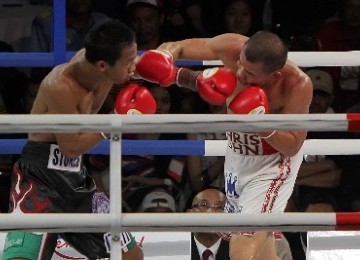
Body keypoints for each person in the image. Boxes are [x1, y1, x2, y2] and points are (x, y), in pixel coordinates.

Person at [134, 30, 313, 260]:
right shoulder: (233, 46)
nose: (239, 73)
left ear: (275, 75)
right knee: (263, 251)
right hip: (237, 157)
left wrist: (262, 123)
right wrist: (163, 60)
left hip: (272, 166)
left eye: (249, 73)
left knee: (242, 244)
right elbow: (177, 45)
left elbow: (292, 146)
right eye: (240, 64)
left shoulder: (297, 85)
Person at [2, 19, 146, 260]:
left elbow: (134, 66)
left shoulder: (103, 64)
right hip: (40, 179)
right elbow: (70, 148)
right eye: (129, 62)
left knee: (130, 255)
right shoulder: (62, 85)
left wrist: (173, 74)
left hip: (76, 179)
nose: (134, 66)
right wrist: (114, 121)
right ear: (102, 65)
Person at [187, 187, 230, 260]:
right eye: (204, 205)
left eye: (220, 207)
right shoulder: (176, 247)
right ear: (189, 214)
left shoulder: (239, 249)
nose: (211, 211)